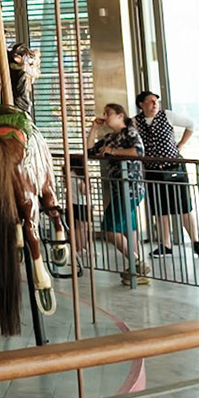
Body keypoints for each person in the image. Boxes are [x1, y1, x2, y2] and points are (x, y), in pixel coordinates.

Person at [135, 91, 199, 259]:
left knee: (184, 207)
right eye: (150, 101)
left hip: (174, 168)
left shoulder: (167, 116)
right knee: (160, 209)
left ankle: (196, 242)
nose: (155, 104)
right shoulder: (135, 122)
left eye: (156, 101)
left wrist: (180, 145)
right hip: (152, 170)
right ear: (141, 105)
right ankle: (165, 244)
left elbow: (191, 124)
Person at [86, 103, 150, 287]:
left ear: (120, 115)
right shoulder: (109, 137)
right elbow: (90, 151)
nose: (105, 116)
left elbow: (138, 151)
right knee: (127, 228)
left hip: (129, 187)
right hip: (117, 188)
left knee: (110, 228)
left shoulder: (129, 132)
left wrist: (113, 152)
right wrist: (94, 128)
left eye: (109, 113)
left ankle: (137, 261)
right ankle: (136, 267)